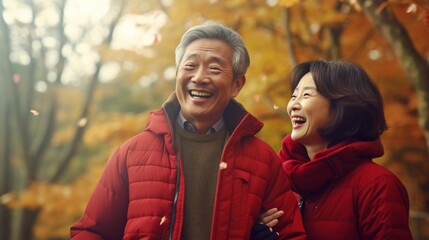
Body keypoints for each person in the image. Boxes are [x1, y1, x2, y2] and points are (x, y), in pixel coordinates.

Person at [70, 20, 306, 239]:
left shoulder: (262, 160)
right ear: (177, 73)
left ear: (237, 84)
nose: (199, 77)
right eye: (190, 66)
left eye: (214, 69)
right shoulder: (132, 153)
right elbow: (90, 232)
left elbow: (291, 234)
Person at [258, 60, 413, 239]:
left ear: (343, 105)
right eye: (294, 96)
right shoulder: (281, 184)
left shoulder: (378, 185)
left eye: (306, 95)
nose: (293, 105)